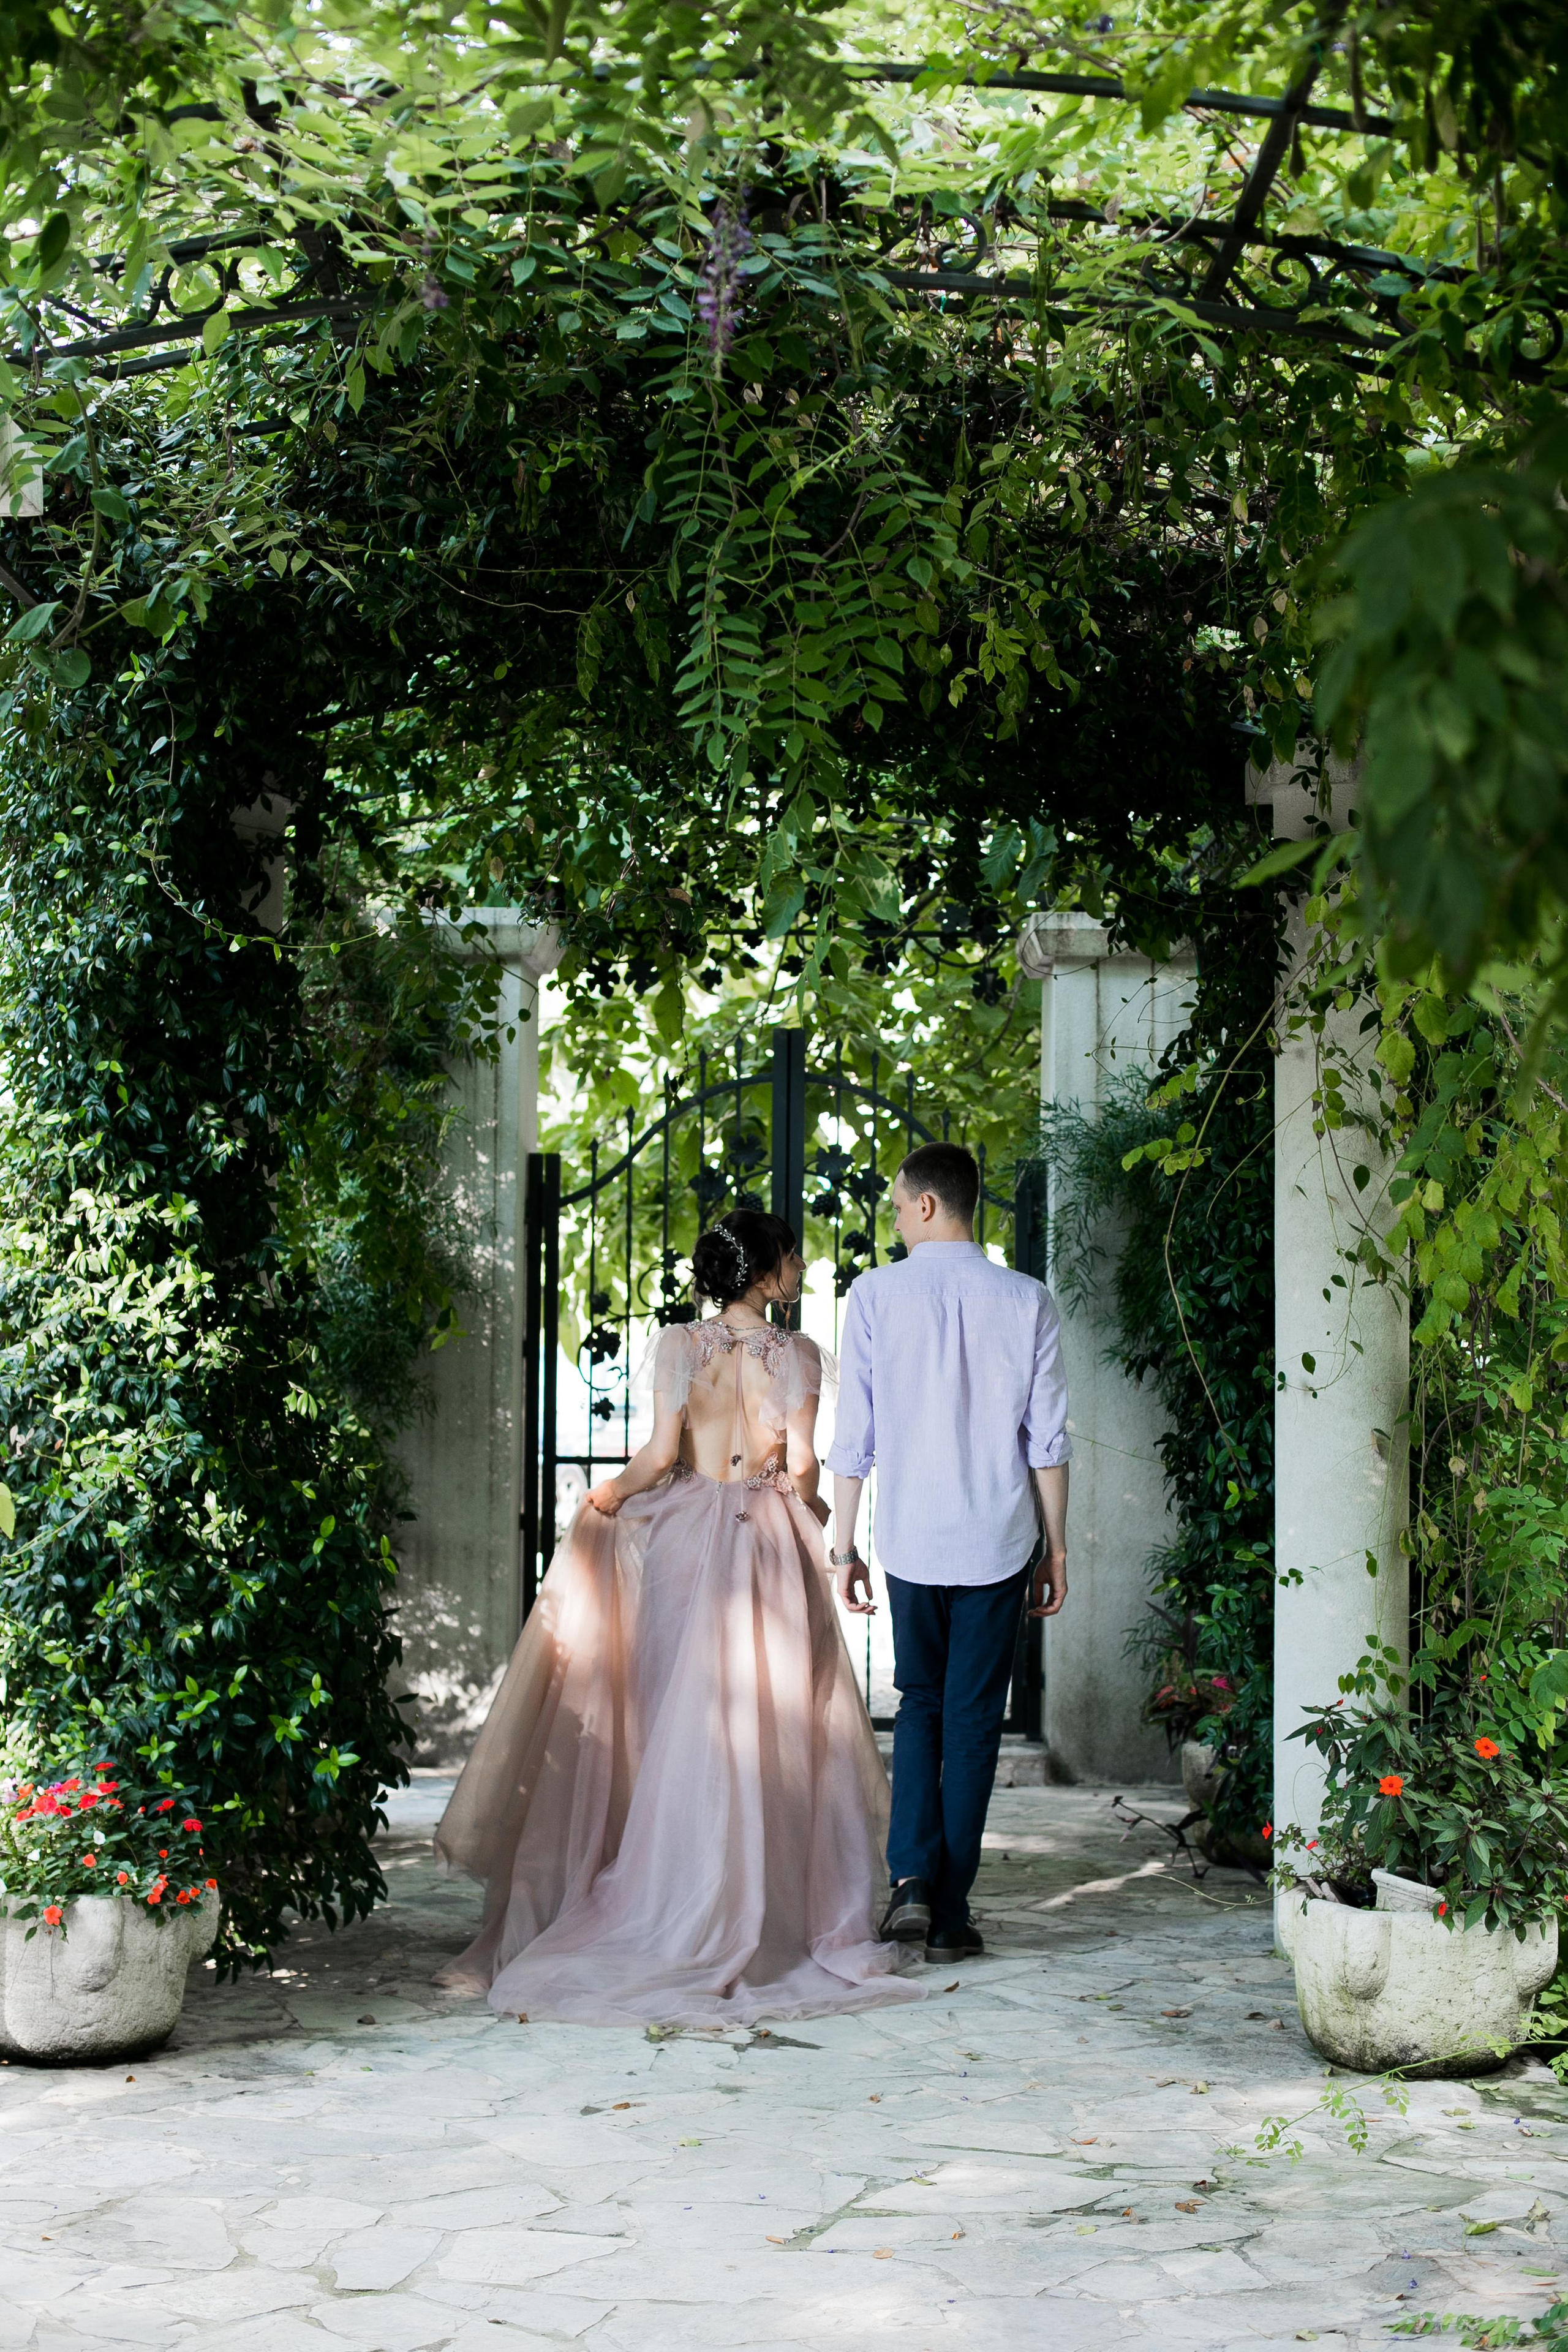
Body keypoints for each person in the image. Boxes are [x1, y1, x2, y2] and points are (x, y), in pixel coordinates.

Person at [431, 1207, 921, 2027]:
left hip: (686, 1537)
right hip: (765, 1545)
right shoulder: (797, 1356)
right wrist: (803, 1513)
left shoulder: (679, 1347)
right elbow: (803, 1471)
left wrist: (612, 1495)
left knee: (676, 1721)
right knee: (774, 1726)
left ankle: (670, 1886)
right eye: (791, 1259)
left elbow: (660, 1455)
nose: (799, 1270)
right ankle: (761, 1905)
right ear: (763, 1272)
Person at [826, 1140, 1071, 1965]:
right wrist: (1057, 1549)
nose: (895, 1221)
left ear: (928, 1205)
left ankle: (910, 1886)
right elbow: (1048, 1441)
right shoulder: (1028, 1299)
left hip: (913, 1540)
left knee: (921, 1707)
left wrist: (843, 1541)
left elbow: (852, 1438)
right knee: (972, 1722)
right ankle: (952, 1909)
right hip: (998, 1539)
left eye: (898, 1206)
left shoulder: (874, 1296)